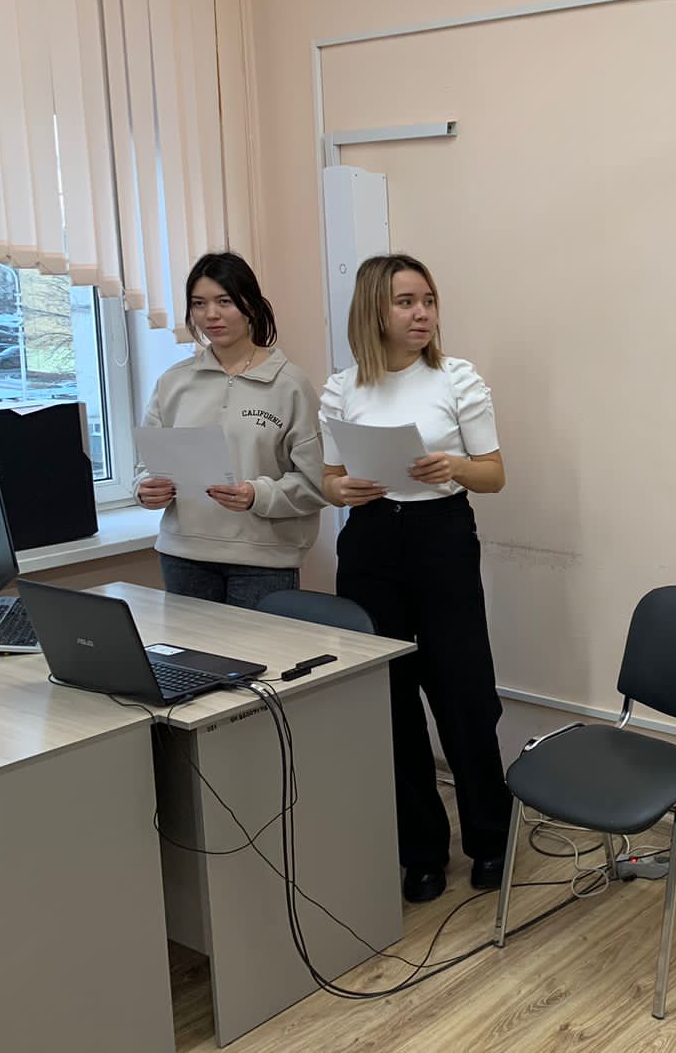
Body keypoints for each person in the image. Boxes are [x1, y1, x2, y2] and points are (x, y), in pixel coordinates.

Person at [320, 253, 510, 903]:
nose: (422, 312)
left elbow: (494, 473)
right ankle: (421, 852)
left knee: (464, 693)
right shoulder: (343, 388)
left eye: (427, 300)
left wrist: (453, 466)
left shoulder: (456, 377)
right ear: (374, 310)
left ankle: (490, 838)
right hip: (370, 540)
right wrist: (342, 489)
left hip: (441, 536)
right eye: (406, 301)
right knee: (390, 698)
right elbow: (329, 478)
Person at [135, 252, 326, 607]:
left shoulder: (290, 385)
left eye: (224, 301)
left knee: (257, 647)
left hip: (263, 560)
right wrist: (146, 490)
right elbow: (148, 465)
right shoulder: (173, 382)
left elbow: (316, 483)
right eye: (199, 303)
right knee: (191, 645)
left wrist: (258, 495)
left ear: (250, 305)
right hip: (184, 554)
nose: (211, 314)